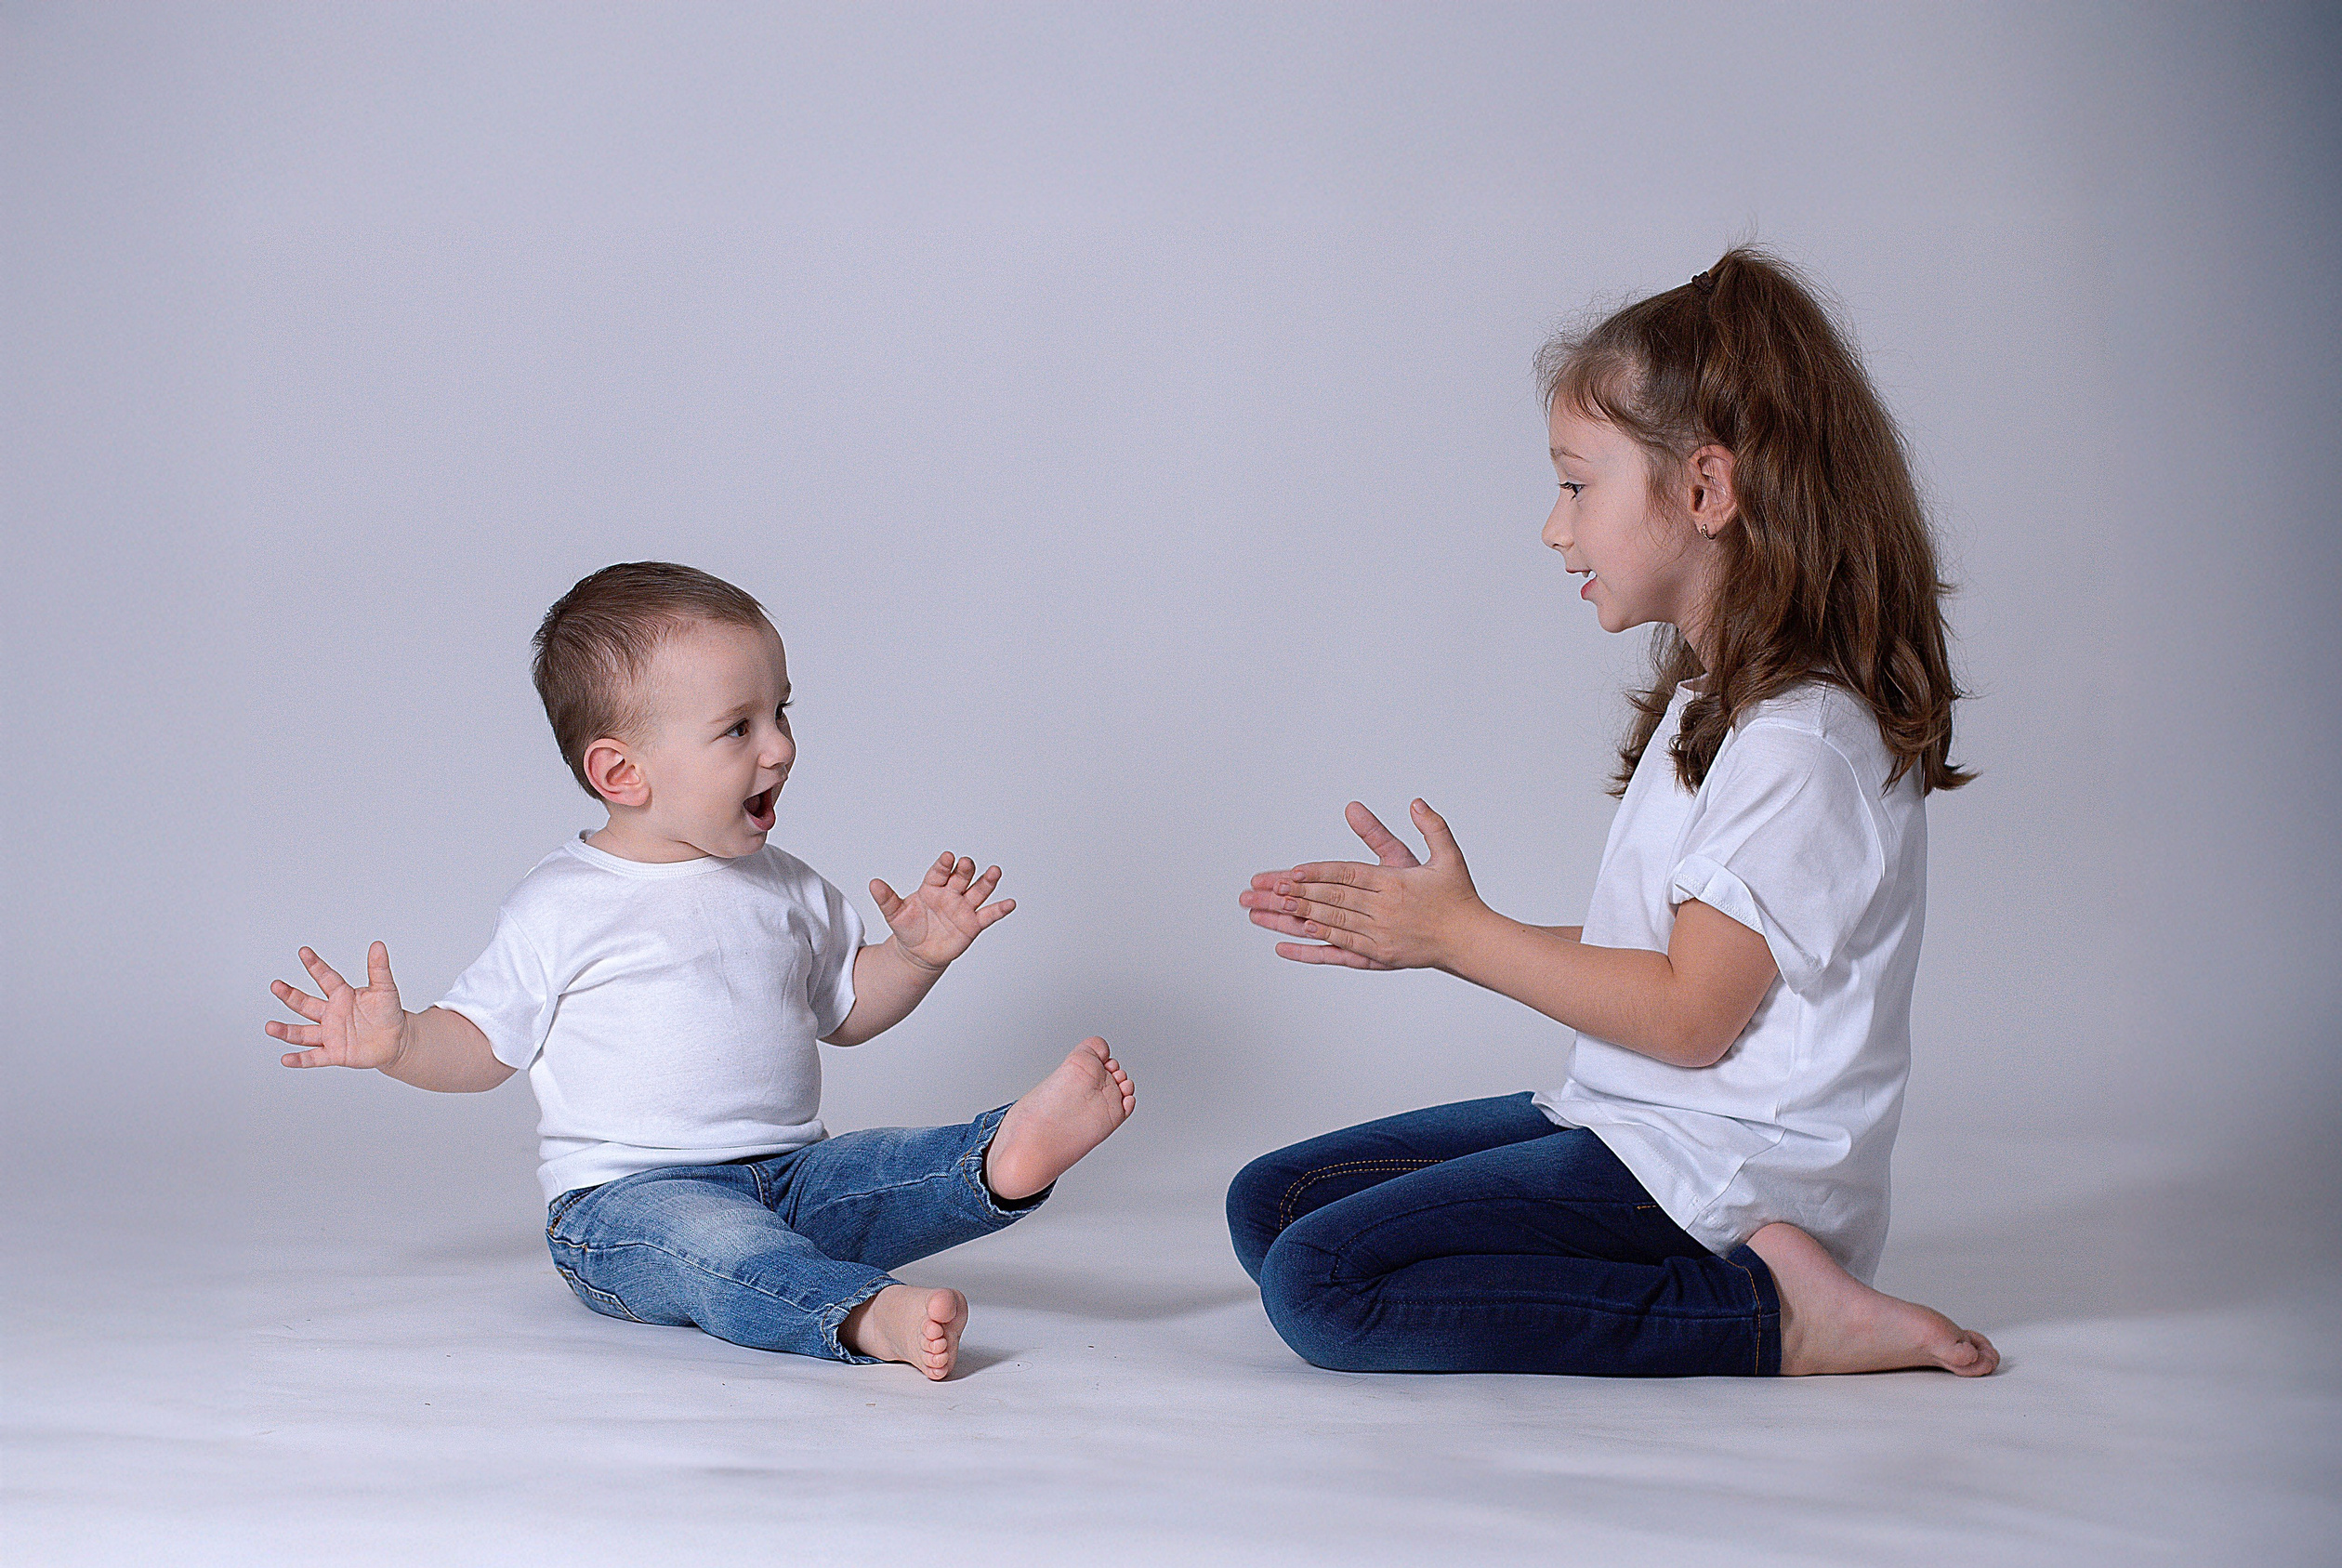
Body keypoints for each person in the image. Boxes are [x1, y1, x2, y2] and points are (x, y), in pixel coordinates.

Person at [1229, 249, 1997, 1378]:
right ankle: (1728, 1284)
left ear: (1704, 491)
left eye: (1577, 485)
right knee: (1276, 1203)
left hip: (1720, 1173)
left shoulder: (1802, 746)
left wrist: (1458, 935)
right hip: (1637, 1121)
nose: (1554, 528)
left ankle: (1772, 1312)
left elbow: (1689, 1016)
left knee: (1320, 1282)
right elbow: (1665, 965)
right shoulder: (1718, 700)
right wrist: (1434, 928)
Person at [266, 561, 1133, 1379]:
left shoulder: (787, 885)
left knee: (881, 1169)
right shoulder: (562, 903)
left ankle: (993, 1160)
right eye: (740, 728)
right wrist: (402, 1039)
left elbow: (847, 1010)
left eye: (783, 713)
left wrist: (911, 957)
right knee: (715, 1253)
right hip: (627, 1205)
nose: (782, 748)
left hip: (791, 1174)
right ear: (621, 772)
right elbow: (482, 1047)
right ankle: (864, 1315)